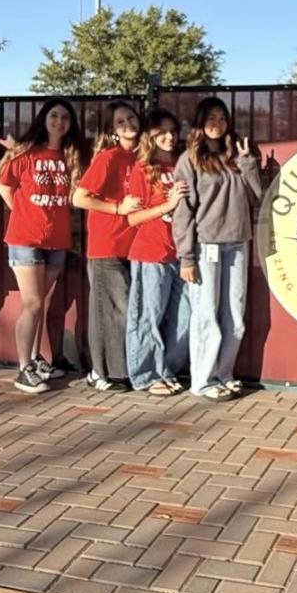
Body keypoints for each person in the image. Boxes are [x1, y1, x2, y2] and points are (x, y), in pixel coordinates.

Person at [0, 98, 87, 393]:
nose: (59, 121)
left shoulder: (71, 156)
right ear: (44, 118)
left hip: (56, 240)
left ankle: (34, 359)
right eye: (54, 115)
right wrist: (23, 213)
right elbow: (4, 187)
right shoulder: (26, 152)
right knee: (32, 303)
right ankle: (23, 369)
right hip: (25, 239)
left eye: (65, 117)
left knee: (39, 303)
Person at [173, 98, 261, 400]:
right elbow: (183, 211)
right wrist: (186, 257)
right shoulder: (188, 160)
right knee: (206, 314)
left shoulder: (236, 155)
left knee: (235, 314)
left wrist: (248, 163)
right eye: (211, 118)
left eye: (222, 118)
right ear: (200, 122)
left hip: (237, 243)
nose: (217, 124)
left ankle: (224, 373)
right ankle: (202, 380)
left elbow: (255, 196)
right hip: (205, 246)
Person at [73, 100, 142, 392]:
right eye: (120, 122)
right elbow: (79, 198)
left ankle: (118, 370)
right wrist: (117, 208)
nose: (128, 125)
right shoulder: (108, 158)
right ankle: (102, 373)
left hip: (133, 246)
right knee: (111, 310)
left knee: (123, 310)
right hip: (107, 244)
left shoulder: (141, 158)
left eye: (131, 118)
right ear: (112, 130)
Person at [125, 109, 191, 396]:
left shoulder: (182, 164)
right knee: (148, 317)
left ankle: (167, 370)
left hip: (182, 253)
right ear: (151, 136)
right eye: (162, 132)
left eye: (173, 131)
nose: (169, 136)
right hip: (151, 252)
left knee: (184, 317)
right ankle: (146, 375)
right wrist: (167, 205)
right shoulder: (143, 168)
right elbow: (133, 218)